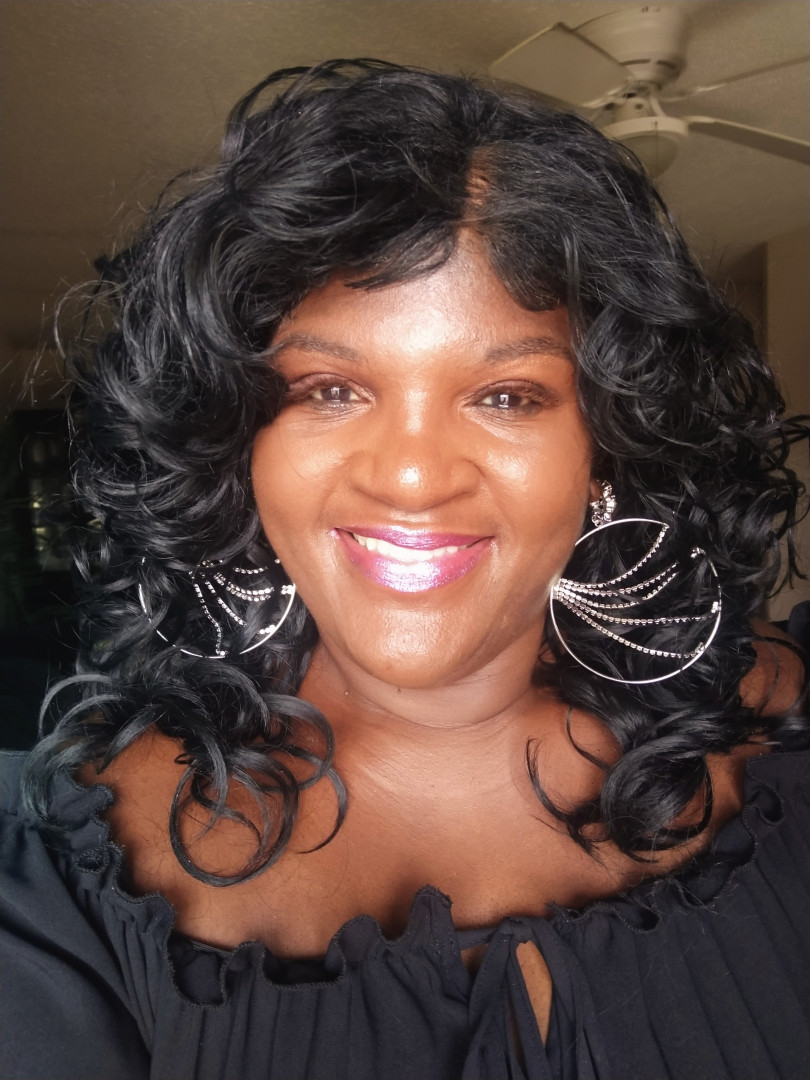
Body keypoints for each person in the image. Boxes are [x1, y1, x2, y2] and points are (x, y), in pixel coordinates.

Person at [2, 59, 808, 1080]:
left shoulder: (781, 733)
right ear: (235, 444)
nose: (414, 477)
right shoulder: (67, 889)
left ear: (606, 449)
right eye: (328, 389)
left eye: (507, 397)